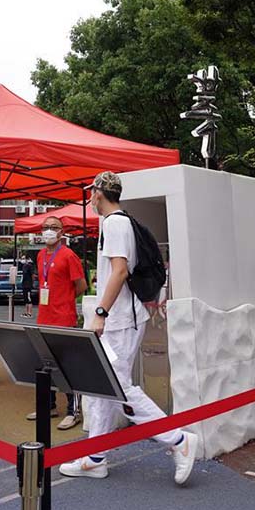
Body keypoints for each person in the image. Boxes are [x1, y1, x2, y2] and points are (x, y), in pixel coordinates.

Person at [59, 171, 198, 484]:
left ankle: (178, 440)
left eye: (91, 192)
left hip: (120, 320)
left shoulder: (115, 223)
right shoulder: (121, 222)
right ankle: (95, 457)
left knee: (118, 388)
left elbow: (119, 272)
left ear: (98, 192)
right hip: (121, 319)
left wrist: (100, 312)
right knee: (104, 387)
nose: (89, 198)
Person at [25, 216, 87, 431]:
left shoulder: (69, 255)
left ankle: (73, 411)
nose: (49, 231)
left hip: (63, 318)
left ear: (62, 232)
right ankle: (48, 406)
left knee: (67, 366)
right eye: (46, 227)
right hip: (44, 317)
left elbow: (81, 285)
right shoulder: (41, 254)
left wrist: (65, 299)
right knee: (45, 365)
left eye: (54, 227)